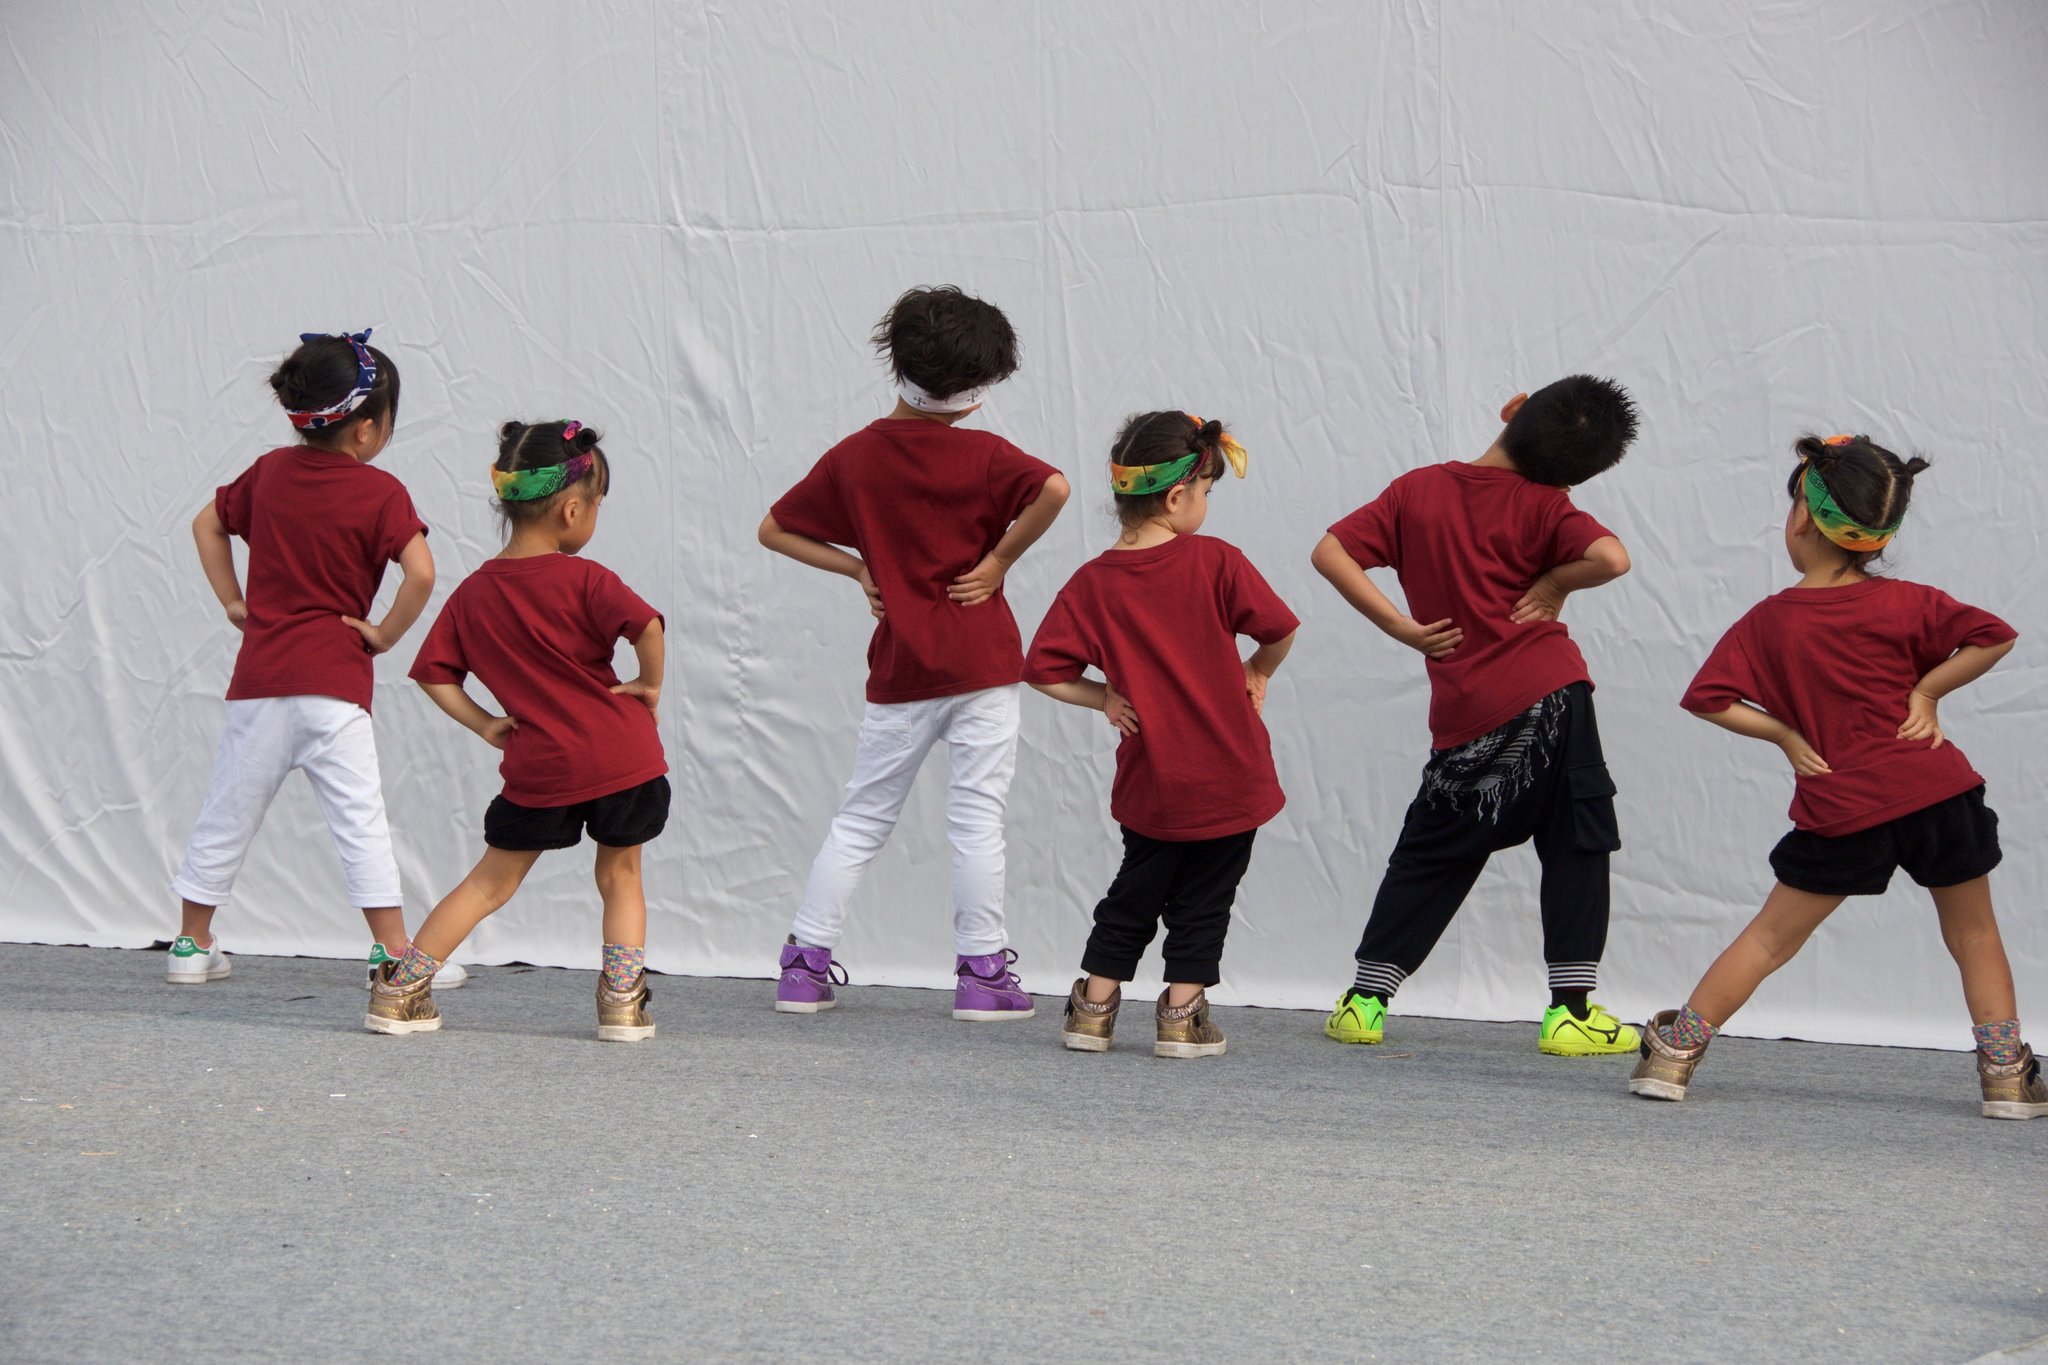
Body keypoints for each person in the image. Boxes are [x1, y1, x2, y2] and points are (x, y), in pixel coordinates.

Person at [1632, 433, 2044, 1118]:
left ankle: (1673, 1054)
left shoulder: (1769, 623)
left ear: (1801, 517)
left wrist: (1785, 733)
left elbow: (1706, 697)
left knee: (1769, 938)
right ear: (1878, 535)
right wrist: (1927, 693)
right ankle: (2005, 1075)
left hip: (1841, 804)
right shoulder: (1910, 602)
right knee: (1974, 934)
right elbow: (1995, 635)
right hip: (1938, 793)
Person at [758, 286, 1070, 1020]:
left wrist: (858, 568)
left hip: (901, 668)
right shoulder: (989, 456)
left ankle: (803, 966)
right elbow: (1054, 488)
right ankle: (982, 975)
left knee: (861, 817)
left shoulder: (855, 457)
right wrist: (998, 562)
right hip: (983, 664)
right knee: (977, 821)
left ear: (897, 361)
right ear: (977, 387)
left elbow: (774, 529)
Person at [1314, 376, 1639, 1055]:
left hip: (1466, 710)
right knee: (1576, 842)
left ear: (1513, 411)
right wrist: (1554, 581)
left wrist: (1401, 627)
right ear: (1573, 474)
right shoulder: (1548, 505)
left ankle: (1365, 1001)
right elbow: (1612, 557)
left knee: (1432, 848)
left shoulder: (1418, 490)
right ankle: (1571, 1013)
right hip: (1555, 695)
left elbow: (1330, 552)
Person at [168, 329, 464, 989]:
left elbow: (205, 524)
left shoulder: (268, 473)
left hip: (261, 680)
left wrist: (233, 600)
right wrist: (383, 634)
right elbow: (421, 572)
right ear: (366, 429)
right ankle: (392, 953)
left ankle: (190, 943)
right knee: (360, 820)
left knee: (227, 809)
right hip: (334, 686)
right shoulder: (382, 493)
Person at [367, 421, 667, 1041]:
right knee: (620, 877)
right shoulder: (588, 579)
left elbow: (433, 674)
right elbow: (647, 627)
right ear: (573, 509)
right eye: (598, 505)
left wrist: (486, 724)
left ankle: (400, 991)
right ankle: (621, 1003)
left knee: (489, 883)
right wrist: (648, 684)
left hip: (541, 766)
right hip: (620, 756)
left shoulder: (473, 595)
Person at [1025, 412, 1296, 1058]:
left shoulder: (1093, 583)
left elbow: (1043, 670)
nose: (1205, 503)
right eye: (1206, 491)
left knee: (1135, 891)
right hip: (1230, 776)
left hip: (1154, 779)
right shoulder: (1218, 561)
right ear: (1177, 497)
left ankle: (1092, 1010)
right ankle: (1181, 1015)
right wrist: (1258, 669)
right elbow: (1281, 629)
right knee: (1207, 898)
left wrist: (1105, 697)